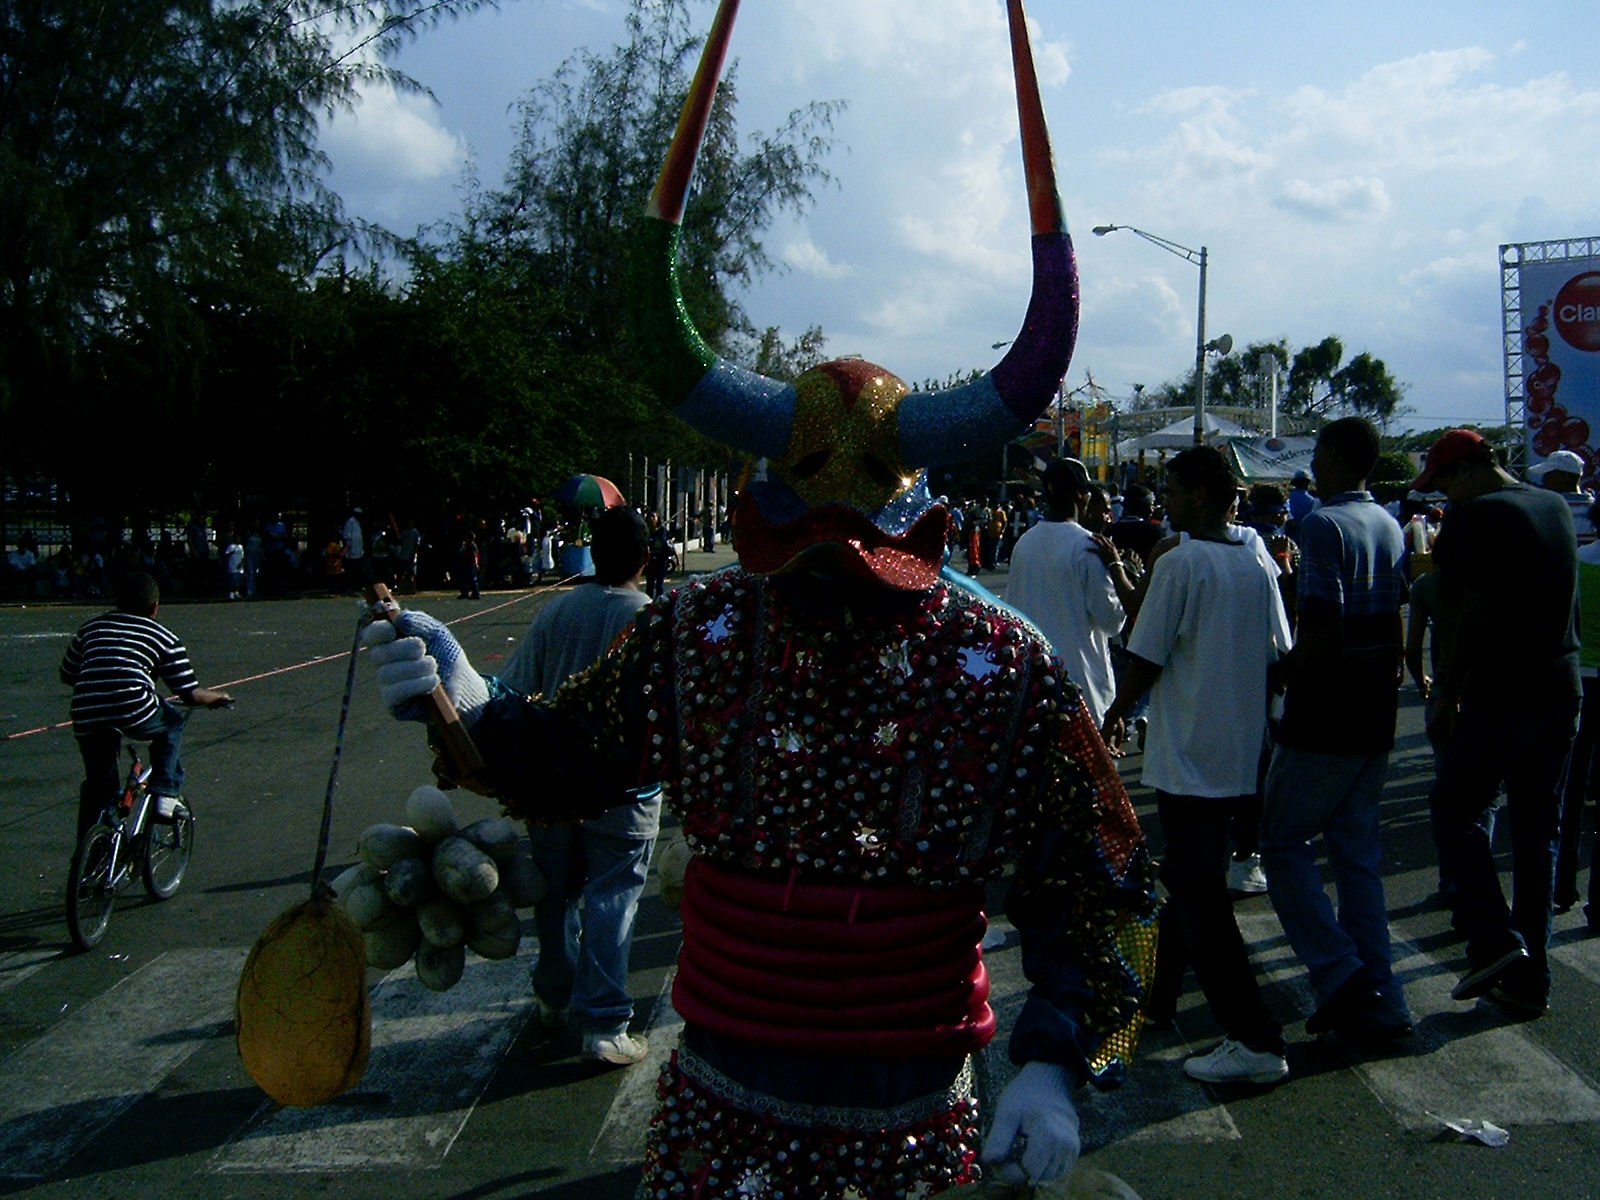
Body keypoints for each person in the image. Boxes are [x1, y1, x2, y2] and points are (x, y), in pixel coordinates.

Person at [366, 7, 1157, 1191]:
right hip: (719, 1101)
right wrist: (461, 698)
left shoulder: (1001, 656)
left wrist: (1053, 1055)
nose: (832, 578)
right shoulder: (700, 628)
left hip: (911, 1106)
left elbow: (1097, 875)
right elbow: (566, 756)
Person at [1101, 446, 1292, 1085]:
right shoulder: (1257, 561)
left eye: (1174, 493)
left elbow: (1145, 656)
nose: (1166, 504)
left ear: (1202, 497)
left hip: (1190, 756)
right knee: (1189, 877)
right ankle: (1159, 1000)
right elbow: (1280, 651)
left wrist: (1114, 713)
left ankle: (1255, 1037)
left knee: (1202, 897)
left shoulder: (1182, 564)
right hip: (1240, 752)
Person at [1415, 428, 1580, 1019]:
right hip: (1560, 685)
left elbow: (1468, 616)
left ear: (1469, 469)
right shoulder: (1554, 504)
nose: (1447, 496)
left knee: (1455, 811)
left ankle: (1493, 941)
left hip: (1501, 690)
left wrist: (1445, 697)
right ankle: (1531, 978)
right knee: (1538, 835)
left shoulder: (1477, 518)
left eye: (1447, 482)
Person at [1260, 417, 1413, 1046]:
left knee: (1282, 842)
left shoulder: (1322, 525)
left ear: (1343, 457)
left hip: (1328, 714)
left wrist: (1278, 672)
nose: (1313, 463)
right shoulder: (1388, 523)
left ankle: (1340, 973)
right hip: (1376, 710)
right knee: (1357, 859)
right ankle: (1384, 994)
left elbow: (1322, 628)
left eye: (1320, 452)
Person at [498, 506, 663, 1065]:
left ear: (594, 553)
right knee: (614, 895)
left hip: (555, 785)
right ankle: (605, 1023)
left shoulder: (557, 610)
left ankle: (554, 996)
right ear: (645, 558)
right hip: (624, 790)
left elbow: (514, 689)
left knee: (555, 893)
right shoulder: (650, 618)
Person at [59, 571, 232, 843]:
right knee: (172, 723)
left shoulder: (91, 628)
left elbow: (68, 673)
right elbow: (188, 692)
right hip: (133, 706)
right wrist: (216, 697)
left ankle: (87, 855)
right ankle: (165, 791)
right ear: (154, 607)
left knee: (98, 786)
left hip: (86, 710)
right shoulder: (161, 635)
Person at [1006, 457, 1136, 726]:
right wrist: (1119, 569)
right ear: (1081, 495)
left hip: (1033, 684)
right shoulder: (1088, 548)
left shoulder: (1024, 543)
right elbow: (1111, 621)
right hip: (1081, 687)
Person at [1529, 448, 1596, 546]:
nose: (1544, 479)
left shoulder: (1547, 511)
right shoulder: (1594, 509)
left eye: (1548, 474)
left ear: (1564, 477)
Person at [644, 510, 676, 599]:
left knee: (659, 585)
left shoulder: (662, 531)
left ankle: (659, 601)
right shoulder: (645, 531)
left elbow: (671, 538)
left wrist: (669, 543)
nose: (651, 519)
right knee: (649, 585)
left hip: (661, 560)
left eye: (653, 517)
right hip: (650, 561)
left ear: (658, 519)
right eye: (650, 516)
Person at [1286, 467, 1319, 539]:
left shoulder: (1288, 497)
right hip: (1306, 535)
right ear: (1307, 483)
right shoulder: (1313, 501)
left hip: (1290, 534)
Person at [341, 506, 367, 589]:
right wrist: (348, 548)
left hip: (358, 550)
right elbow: (347, 536)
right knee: (351, 569)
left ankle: (357, 585)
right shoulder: (350, 522)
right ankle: (350, 585)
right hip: (351, 551)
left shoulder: (357, 523)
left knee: (358, 569)